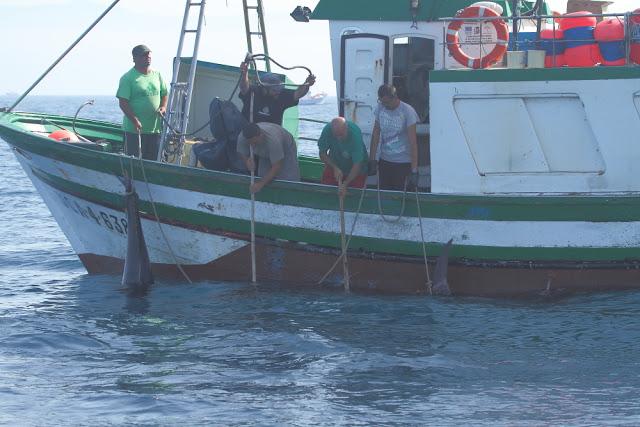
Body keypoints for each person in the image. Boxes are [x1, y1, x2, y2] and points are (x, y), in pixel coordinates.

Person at [116, 44, 168, 160]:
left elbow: (164, 93)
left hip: (155, 130)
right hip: (134, 132)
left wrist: (163, 107)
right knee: (133, 163)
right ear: (135, 59)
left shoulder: (157, 75)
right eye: (144, 55)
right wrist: (134, 120)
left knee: (155, 162)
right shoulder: (128, 78)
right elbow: (123, 102)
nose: (148, 57)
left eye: (149, 54)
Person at [368, 84, 419, 191]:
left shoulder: (408, 112)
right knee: (384, 196)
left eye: (387, 102)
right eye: (382, 102)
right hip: (385, 161)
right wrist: (372, 160)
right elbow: (376, 134)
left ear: (395, 97)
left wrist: (414, 171)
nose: (385, 105)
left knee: (400, 197)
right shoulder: (380, 108)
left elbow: (413, 143)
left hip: (402, 163)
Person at [238, 60, 316, 125]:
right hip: (249, 133)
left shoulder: (281, 94)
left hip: (272, 134)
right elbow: (244, 87)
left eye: (278, 88)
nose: (277, 91)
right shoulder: (253, 92)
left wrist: (307, 83)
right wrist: (244, 73)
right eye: (274, 89)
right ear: (264, 88)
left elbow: (298, 94)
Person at [237, 122, 301, 193]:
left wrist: (260, 184)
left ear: (261, 135)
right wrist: (247, 161)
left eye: (254, 143)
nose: (252, 146)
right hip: (264, 151)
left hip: (286, 147)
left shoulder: (273, 141)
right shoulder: (242, 137)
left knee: (288, 178)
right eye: (250, 143)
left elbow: (277, 166)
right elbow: (241, 151)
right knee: (263, 176)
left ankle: (290, 194)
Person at [317, 117, 368, 197]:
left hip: (356, 168)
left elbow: (357, 165)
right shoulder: (327, 130)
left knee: (355, 195)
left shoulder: (355, 134)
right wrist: (334, 168)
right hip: (335, 163)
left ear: (346, 128)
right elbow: (322, 153)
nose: (339, 139)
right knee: (325, 191)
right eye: (336, 135)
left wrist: (345, 184)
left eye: (341, 135)